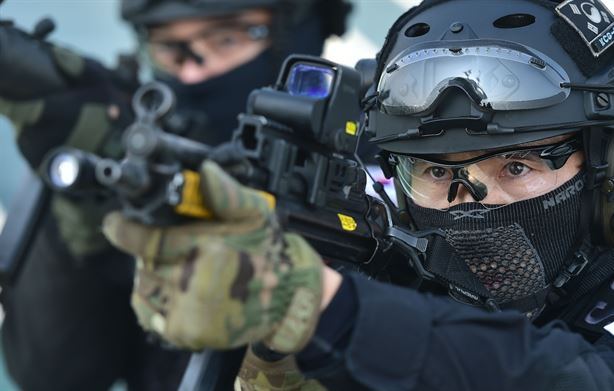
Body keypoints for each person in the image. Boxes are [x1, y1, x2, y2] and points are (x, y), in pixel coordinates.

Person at [103, 0, 614, 389]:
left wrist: (335, 312)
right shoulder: (396, 275)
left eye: (517, 166)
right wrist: (280, 344)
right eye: (434, 172)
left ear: (612, 166)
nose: (471, 201)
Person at [0, 0, 352, 390]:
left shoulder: (388, 182)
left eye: (226, 38)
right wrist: (86, 215)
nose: (192, 72)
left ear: (301, 31)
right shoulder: (140, 160)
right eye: (169, 49)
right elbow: (53, 374)